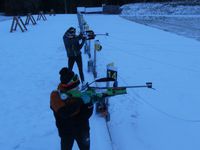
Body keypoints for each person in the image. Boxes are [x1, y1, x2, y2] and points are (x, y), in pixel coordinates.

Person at [50, 67, 93, 150]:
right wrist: (79, 101)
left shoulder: (79, 94)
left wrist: (89, 104)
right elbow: (64, 113)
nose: (78, 89)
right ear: (68, 87)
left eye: (78, 86)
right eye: (75, 87)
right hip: (66, 132)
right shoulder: (55, 96)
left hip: (82, 130)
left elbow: (87, 114)